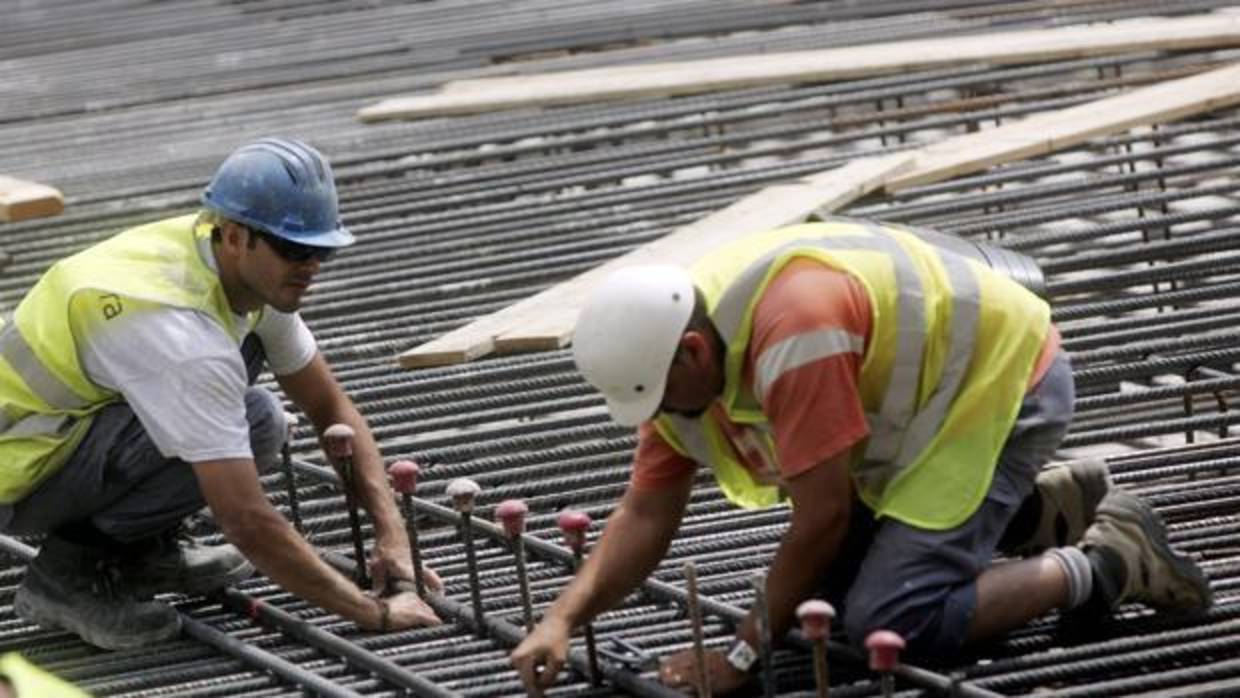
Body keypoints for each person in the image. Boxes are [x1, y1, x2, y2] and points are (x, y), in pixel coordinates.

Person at [511, 218, 1212, 695]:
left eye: (661, 399)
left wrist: (739, 656)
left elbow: (821, 518)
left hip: (1000, 389)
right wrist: (562, 619)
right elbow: (644, 511)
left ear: (693, 351)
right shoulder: (673, 354)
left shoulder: (793, 334)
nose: (660, 418)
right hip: (912, 427)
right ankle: (1032, 512)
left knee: (890, 623)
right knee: (822, 603)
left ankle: (1109, 559)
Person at [0, 137, 440, 651]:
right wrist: (374, 613)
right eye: (294, 249)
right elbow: (245, 519)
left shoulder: (236, 270)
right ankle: (66, 577)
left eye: (322, 250)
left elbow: (329, 406)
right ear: (235, 236)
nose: (311, 266)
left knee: (259, 419)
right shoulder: (177, 333)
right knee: (226, 412)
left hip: (64, 437)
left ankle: (137, 549)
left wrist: (393, 536)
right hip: (18, 469)